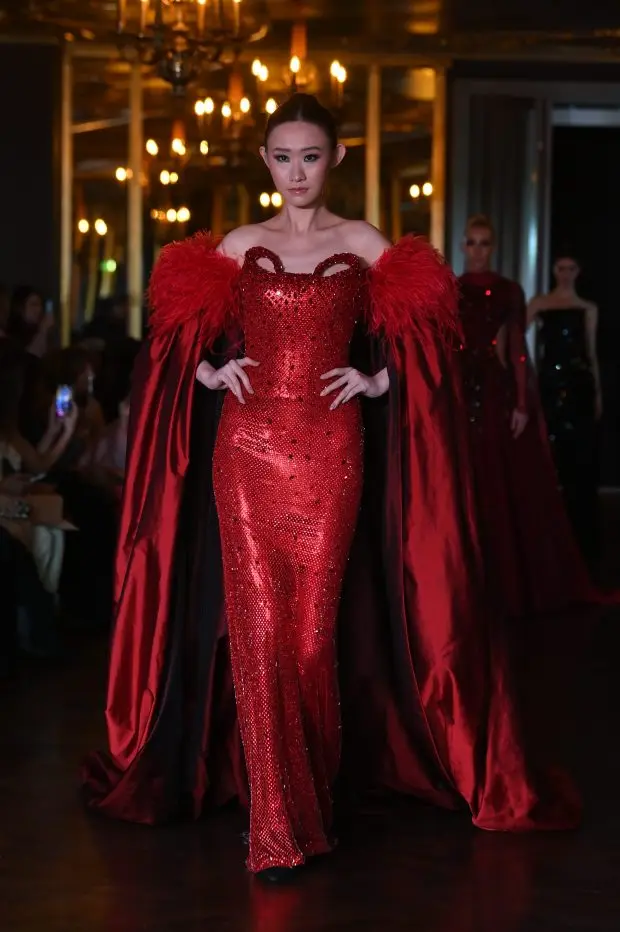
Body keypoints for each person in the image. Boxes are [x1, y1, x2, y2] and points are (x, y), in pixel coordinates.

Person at [82, 96, 580, 884]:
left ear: (336, 157)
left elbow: (435, 338)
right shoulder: (241, 244)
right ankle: (277, 828)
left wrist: (382, 378)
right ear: (266, 162)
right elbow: (170, 348)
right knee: (259, 637)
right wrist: (208, 372)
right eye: (282, 157)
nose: (296, 172)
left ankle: (305, 802)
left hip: (331, 454)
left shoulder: (364, 243)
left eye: (310, 156)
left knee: (312, 640)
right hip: (243, 453)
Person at [457, 215, 595, 616]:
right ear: (463, 245)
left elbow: (517, 347)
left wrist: (521, 402)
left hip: (495, 388)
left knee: (499, 482)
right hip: (460, 389)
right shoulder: (448, 289)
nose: (478, 250)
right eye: (472, 242)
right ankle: (467, 579)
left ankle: (499, 581)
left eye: (485, 243)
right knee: (466, 481)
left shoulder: (508, 291)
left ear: (493, 246)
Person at [527, 253, 601, 564]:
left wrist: (598, 393)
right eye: (561, 268)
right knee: (550, 457)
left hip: (579, 386)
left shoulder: (588, 308)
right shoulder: (540, 304)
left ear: (579, 271)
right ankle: (550, 539)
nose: (566, 273)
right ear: (554, 269)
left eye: (572, 268)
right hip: (549, 386)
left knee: (579, 461)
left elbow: (591, 353)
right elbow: (513, 339)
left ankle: (580, 539)